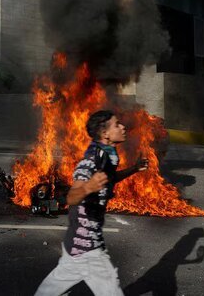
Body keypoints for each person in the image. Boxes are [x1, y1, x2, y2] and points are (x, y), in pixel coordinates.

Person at [34, 110, 149, 296]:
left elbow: (110, 178)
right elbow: (71, 198)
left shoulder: (107, 157)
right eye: (117, 124)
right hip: (87, 248)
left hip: (80, 244)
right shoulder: (90, 162)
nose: (123, 126)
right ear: (105, 133)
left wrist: (134, 169)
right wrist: (88, 187)